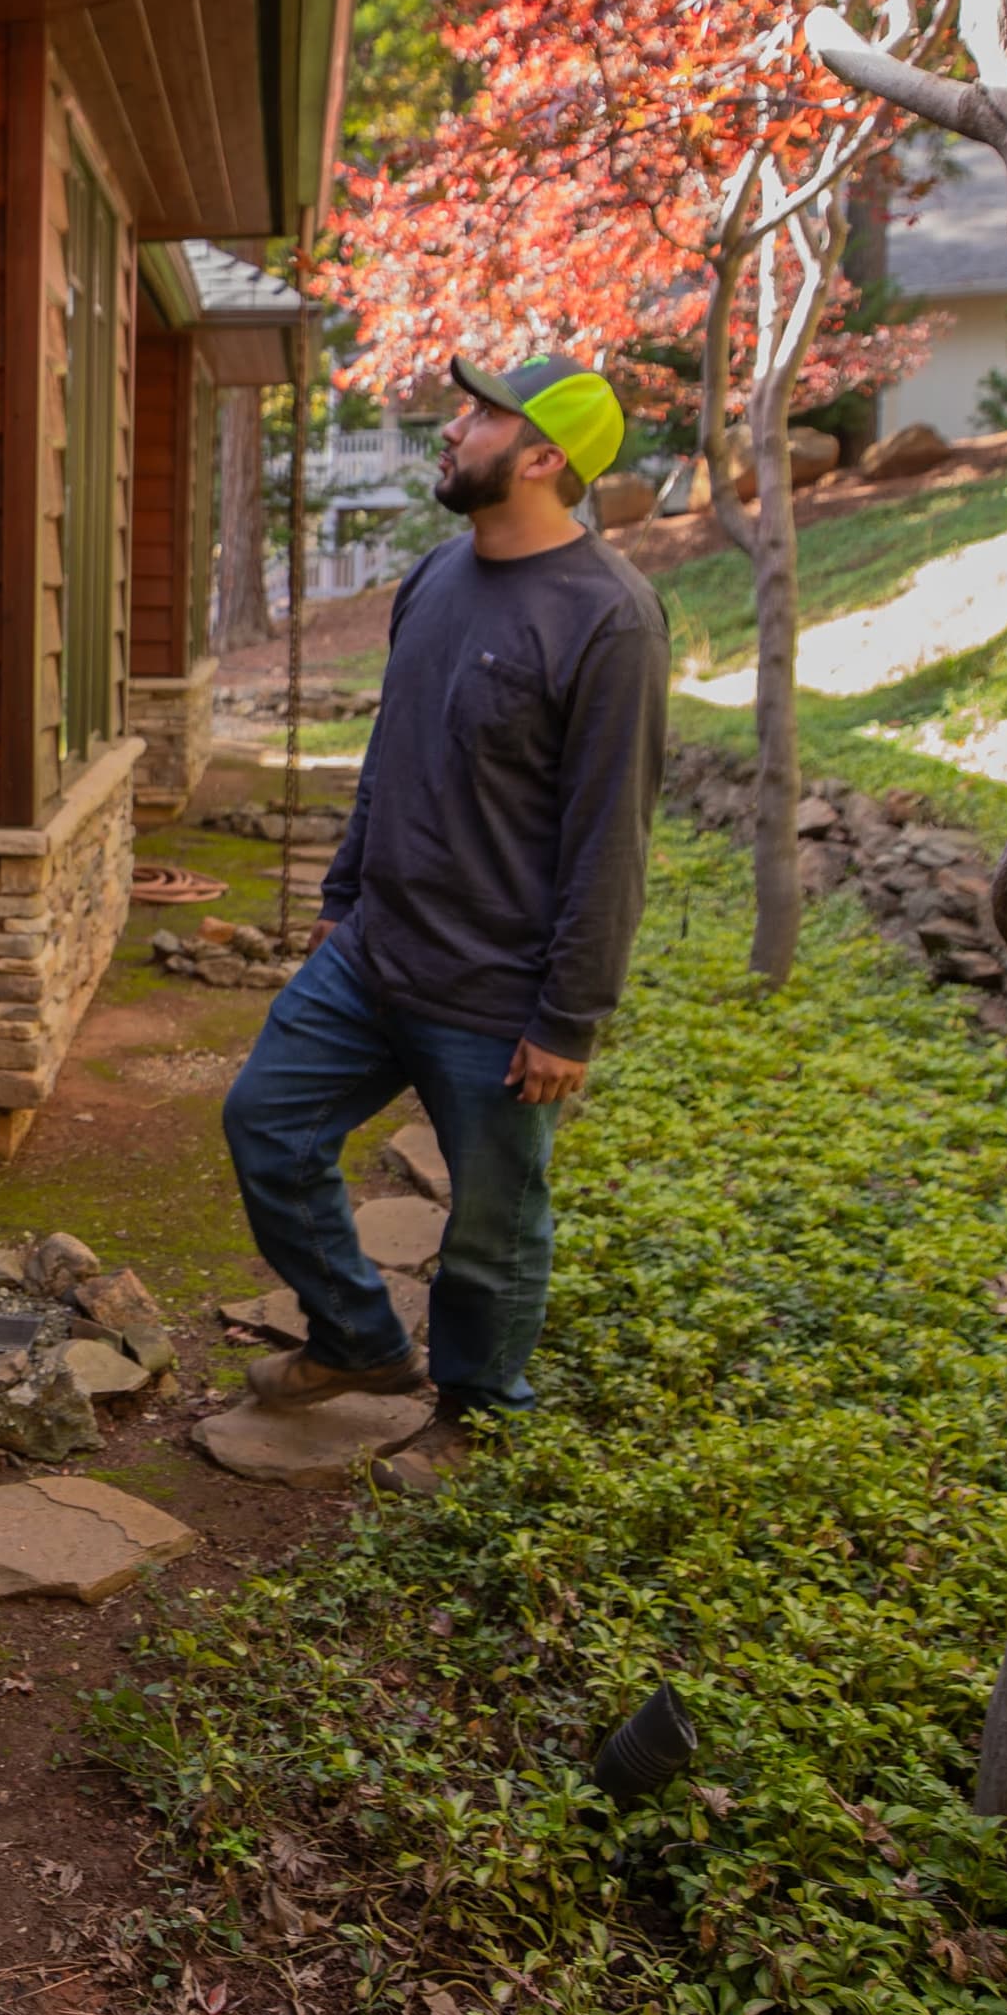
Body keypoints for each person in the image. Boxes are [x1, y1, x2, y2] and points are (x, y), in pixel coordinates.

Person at [219, 354, 666, 1425]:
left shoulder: (613, 620)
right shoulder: (434, 576)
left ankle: (479, 1410)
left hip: (498, 993)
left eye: (478, 416)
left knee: (494, 1223)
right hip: (376, 953)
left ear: (543, 458)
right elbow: (393, 750)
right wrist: (342, 893)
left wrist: (569, 1018)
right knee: (266, 1126)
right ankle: (360, 1341)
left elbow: (613, 836)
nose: (452, 429)